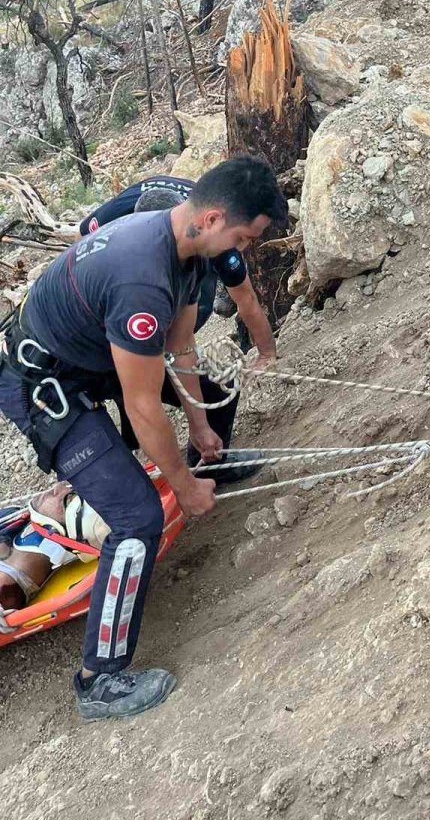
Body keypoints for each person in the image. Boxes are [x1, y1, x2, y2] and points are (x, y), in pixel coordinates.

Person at [0, 156, 288, 720]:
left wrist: (201, 426)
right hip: (43, 384)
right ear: (210, 219)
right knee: (136, 518)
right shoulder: (141, 274)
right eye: (245, 236)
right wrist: (180, 488)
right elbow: (140, 402)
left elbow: (180, 350)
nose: (246, 250)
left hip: (88, 357)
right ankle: (99, 680)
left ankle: (211, 466)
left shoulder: (185, 252)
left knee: (213, 390)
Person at [78, 175, 277, 480]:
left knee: (214, 384)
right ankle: (129, 457)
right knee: (127, 381)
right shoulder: (111, 223)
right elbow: (82, 252)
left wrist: (266, 353)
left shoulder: (218, 240)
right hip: (94, 338)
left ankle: (209, 464)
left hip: (178, 277)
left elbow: (246, 300)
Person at [1, 484, 108, 618]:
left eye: (67, 500)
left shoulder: (7, 588)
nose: (59, 488)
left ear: (60, 531)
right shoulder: (11, 518)